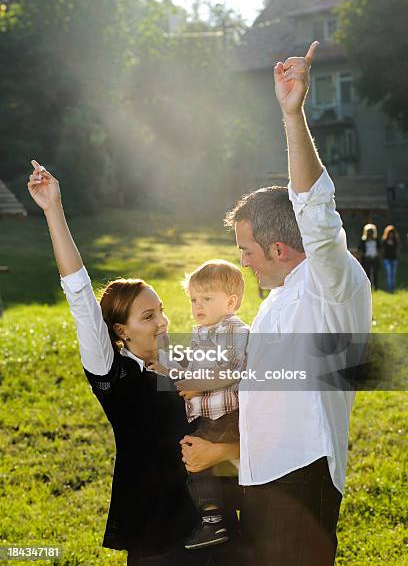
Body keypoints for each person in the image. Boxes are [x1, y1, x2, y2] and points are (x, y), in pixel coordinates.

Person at [182, 41, 372, 565]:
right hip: (259, 478)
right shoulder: (275, 303)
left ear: (278, 248)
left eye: (245, 250)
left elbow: (317, 211)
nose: (242, 263)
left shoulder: (331, 282)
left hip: (301, 475)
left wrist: (294, 114)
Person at [27, 160, 240, 566]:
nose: (162, 321)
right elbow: (80, 299)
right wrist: (53, 209)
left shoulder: (183, 357)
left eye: (160, 310)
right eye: (147, 317)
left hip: (214, 526)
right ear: (121, 332)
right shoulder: (115, 374)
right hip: (156, 532)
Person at [175, 260, 249, 550]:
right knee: (199, 460)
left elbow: (232, 369)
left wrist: (197, 385)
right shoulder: (202, 332)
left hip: (227, 414)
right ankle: (216, 516)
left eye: (207, 299)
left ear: (231, 302)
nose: (198, 306)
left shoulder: (232, 329)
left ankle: (213, 519)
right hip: (210, 415)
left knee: (196, 458)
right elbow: (195, 368)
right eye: (194, 299)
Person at [358, 223, 380, 289]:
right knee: (367, 273)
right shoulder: (363, 241)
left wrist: (377, 255)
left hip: (374, 258)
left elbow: (379, 248)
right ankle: (368, 287)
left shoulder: (376, 240)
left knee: (375, 273)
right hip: (366, 259)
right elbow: (360, 250)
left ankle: (376, 287)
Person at [381, 225, 399, 293]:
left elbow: (398, 249)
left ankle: (393, 288)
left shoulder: (395, 241)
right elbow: (383, 250)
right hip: (387, 259)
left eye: (392, 233)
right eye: (390, 233)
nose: (391, 234)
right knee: (389, 274)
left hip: (394, 259)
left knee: (393, 275)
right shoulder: (385, 240)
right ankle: (389, 289)